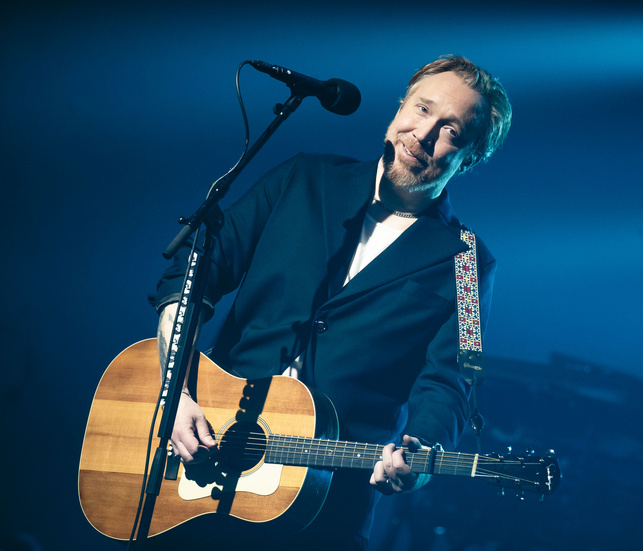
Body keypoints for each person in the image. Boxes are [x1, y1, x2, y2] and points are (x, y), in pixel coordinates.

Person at [152, 55, 512, 550]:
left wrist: (421, 451)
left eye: (450, 130)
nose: (423, 134)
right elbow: (191, 279)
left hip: (322, 508)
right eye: (422, 108)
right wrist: (175, 396)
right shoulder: (303, 177)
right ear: (398, 108)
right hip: (199, 463)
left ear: (469, 157)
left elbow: (455, 380)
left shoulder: (471, 264)